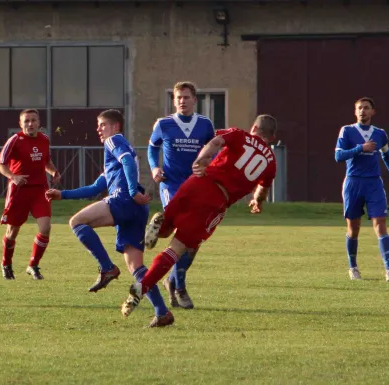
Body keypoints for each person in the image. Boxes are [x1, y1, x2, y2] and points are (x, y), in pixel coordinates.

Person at [121, 115, 278, 320]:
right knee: (177, 248)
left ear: (254, 127)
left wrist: (201, 160)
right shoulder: (271, 162)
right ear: (272, 137)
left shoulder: (239, 134)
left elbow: (215, 142)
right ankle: (142, 287)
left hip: (198, 181)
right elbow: (263, 190)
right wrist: (257, 202)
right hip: (217, 200)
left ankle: (160, 223)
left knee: (167, 228)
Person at [46, 109, 174, 328]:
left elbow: (129, 163)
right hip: (136, 209)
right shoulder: (115, 154)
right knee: (136, 267)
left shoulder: (113, 141)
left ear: (115, 127)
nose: (98, 129)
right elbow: (96, 187)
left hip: (123, 200)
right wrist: (63, 194)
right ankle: (162, 312)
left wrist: (132, 191)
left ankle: (107, 268)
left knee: (76, 222)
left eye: (102, 124)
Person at [148, 81, 215, 309]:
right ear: (173, 100)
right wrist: (155, 168)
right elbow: (152, 148)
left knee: (193, 242)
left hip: (196, 186)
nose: (182, 101)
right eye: (178, 98)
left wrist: (207, 166)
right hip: (171, 186)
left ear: (194, 100)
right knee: (183, 234)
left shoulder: (205, 125)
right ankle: (180, 288)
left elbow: (213, 150)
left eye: (186, 97)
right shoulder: (164, 124)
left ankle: (172, 281)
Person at [334, 97, 389, 282]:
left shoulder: (380, 134)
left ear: (373, 112)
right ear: (355, 112)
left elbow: (387, 156)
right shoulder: (347, 131)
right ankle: (353, 267)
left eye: (366, 108)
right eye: (359, 108)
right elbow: (338, 156)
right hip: (353, 183)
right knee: (353, 229)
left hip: (374, 184)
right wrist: (359, 148)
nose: (362, 111)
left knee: (380, 224)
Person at [0, 109, 60, 280]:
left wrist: (54, 172)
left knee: (45, 228)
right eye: (27, 121)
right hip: (19, 191)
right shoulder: (15, 140)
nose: (30, 124)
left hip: (40, 190)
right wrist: (13, 177)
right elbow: (0, 164)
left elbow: (46, 161)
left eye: (33, 120)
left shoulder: (44, 139)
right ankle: (6, 264)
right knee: (12, 232)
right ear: (21, 124)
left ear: (39, 123)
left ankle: (33, 265)